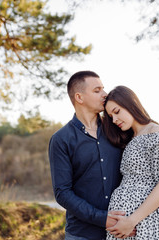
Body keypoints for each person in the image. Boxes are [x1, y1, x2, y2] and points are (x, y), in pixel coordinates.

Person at [48, 71, 128, 240]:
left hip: (124, 229)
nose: (105, 95)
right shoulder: (61, 139)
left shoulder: (117, 128)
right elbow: (62, 192)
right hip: (82, 234)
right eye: (97, 90)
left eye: (103, 89)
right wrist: (101, 218)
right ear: (79, 97)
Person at [102, 85, 159, 240]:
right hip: (127, 225)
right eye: (111, 116)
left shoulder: (156, 133)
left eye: (116, 112)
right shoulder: (131, 138)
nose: (114, 120)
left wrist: (132, 220)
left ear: (130, 104)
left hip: (152, 222)